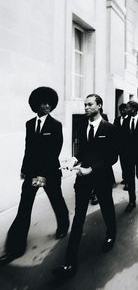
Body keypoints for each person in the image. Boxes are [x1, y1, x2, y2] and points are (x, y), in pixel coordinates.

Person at [0, 87, 69, 266]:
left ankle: (63, 226)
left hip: (49, 174)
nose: (47, 106)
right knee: (24, 207)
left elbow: (54, 152)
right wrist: (24, 169)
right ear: (36, 104)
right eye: (43, 102)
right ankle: (15, 248)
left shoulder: (56, 125)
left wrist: (41, 176)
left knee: (56, 200)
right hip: (32, 174)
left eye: (49, 103)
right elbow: (28, 149)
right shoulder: (30, 124)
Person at [52, 94, 118, 278]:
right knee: (79, 216)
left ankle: (111, 235)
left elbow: (113, 157)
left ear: (99, 106)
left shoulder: (110, 128)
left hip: (102, 177)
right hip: (82, 179)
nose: (86, 107)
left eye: (90, 104)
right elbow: (82, 151)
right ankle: (69, 263)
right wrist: (73, 159)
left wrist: (92, 169)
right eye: (85, 104)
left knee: (107, 208)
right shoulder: (82, 126)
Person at [113, 103, 129, 190]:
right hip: (119, 147)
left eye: (124, 110)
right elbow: (113, 131)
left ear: (127, 110)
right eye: (121, 110)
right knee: (122, 163)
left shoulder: (130, 119)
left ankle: (128, 181)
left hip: (128, 147)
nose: (122, 112)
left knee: (127, 164)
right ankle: (124, 178)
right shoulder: (117, 119)